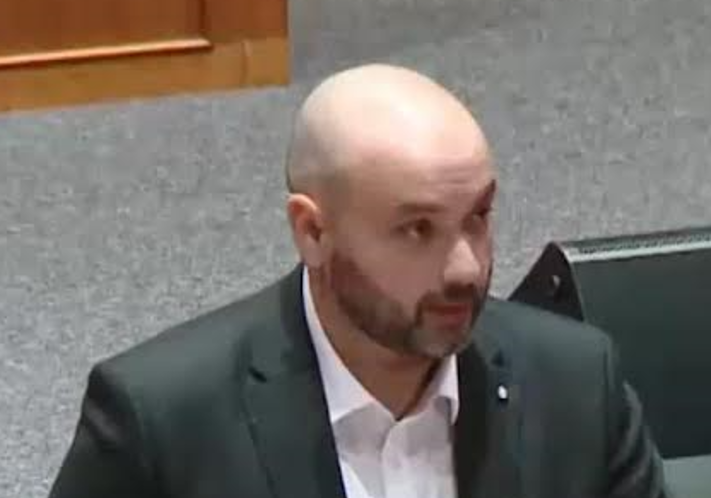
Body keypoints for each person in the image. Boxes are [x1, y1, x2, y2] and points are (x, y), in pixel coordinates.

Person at [49, 64, 668, 498]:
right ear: (313, 232)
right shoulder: (160, 420)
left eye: (477, 217)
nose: (465, 268)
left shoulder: (577, 384)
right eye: (417, 230)